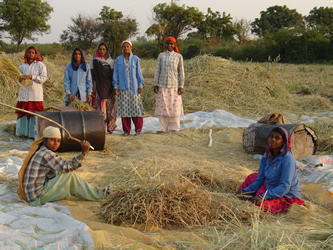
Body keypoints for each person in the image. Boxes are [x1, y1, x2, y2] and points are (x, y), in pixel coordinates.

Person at [17, 126, 111, 205]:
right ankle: (99, 195)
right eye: (52, 140)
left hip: (32, 195)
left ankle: (89, 190)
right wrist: (83, 152)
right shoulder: (46, 154)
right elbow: (67, 167)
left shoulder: (41, 150)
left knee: (60, 172)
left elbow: (59, 168)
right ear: (44, 140)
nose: (55, 143)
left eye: (58, 141)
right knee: (70, 176)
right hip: (36, 198)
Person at [236, 127, 304, 213]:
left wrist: (263, 196)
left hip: (284, 193)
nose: (273, 140)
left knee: (261, 204)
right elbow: (260, 178)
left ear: (283, 142)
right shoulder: (267, 155)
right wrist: (246, 191)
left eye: (277, 138)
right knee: (251, 178)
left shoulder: (288, 159)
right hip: (269, 186)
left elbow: (285, 185)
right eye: (271, 136)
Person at [112, 40, 144, 136]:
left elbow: (139, 74)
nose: (126, 48)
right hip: (123, 89)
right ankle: (126, 130)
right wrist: (115, 86)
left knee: (136, 109)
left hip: (134, 89)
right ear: (122, 48)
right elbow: (116, 74)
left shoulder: (135, 59)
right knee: (125, 111)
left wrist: (140, 85)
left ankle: (138, 129)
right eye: (124, 46)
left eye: (128, 46)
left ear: (131, 48)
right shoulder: (118, 60)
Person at [154, 36, 185, 133]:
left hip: (174, 86)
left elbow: (181, 72)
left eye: (172, 43)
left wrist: (181, 86)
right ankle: (163, 128)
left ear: (174, 45)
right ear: (165, 45)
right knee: (163, 108)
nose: (169, 45)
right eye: (168, 43)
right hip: (162, 85)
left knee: (174, 108)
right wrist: (156, 84)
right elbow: (157, 70)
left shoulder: (178, 56)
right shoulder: (161, 55)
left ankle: (174, 128)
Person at [16, 46, 47, 138]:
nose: (31, 54)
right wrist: (20, 79)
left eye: (33, 52)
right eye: (29, 52)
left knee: (35, 114)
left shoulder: (40, 65)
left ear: (35, 54)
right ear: (26, 54)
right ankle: (23, 134)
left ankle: (35, 134)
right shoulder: (22, 67)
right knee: (24, 113)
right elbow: (17, 80)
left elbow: (43, 78)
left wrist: (31, 77)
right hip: (24, 94)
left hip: (35, 94)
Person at [90, 43, 116, 133]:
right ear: (98, 50)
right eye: (100, 49)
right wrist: (92, 87)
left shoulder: (110, 61)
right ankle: (101, 128)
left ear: (106, 50)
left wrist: (113, 87)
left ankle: (110, 127)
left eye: (104, 49)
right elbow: (92, 76)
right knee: (99, 108)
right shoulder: (94, 61)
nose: (102, 51)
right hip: (98, 87)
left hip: (108, 87)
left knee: (109, 108)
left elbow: (112, 76)